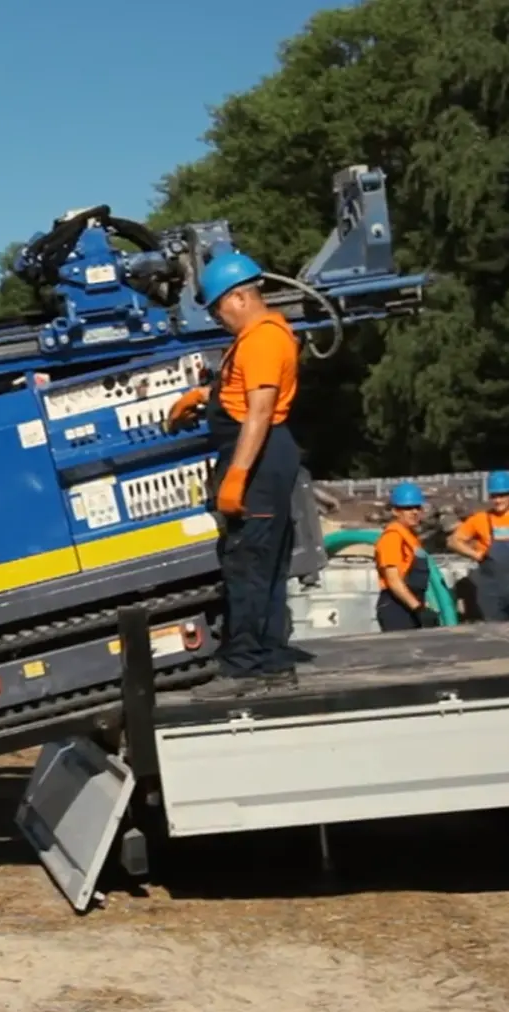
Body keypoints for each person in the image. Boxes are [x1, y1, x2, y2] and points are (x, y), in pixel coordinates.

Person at [165, 251, 303, 699]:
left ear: (240, 297)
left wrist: (238, 474)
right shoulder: (255, 340)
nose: (218, 318)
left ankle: (249, 663)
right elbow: (243, 395)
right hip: (263, 455)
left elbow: (259, 412)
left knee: (250, 562)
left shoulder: (263, 340)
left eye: (219, 308)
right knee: (261, 561)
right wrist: (204, 395)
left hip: (259, 458)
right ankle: (267, 656)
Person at [446, 470, 509, 622]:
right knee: (495, 633)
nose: (498, 500)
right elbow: (453, 541)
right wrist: (477, 555)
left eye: (503, 495)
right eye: (494, 496)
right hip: (491, 591)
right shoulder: (480, 519)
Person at [374, 483, 441, 632]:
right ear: (395, 511)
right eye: (408, 508)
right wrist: (418, 608)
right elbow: (393, 581)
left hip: (411, 606)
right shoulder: (392, 538)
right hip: (396, 608)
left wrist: (424, 607)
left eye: (417, 507)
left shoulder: (410, 536)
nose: (414, 512)